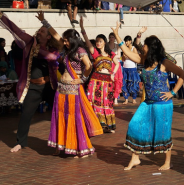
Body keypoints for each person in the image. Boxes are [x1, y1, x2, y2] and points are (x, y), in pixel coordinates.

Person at [111, 22, 184, 171]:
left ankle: (167, 161)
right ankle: (135, 158)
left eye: (145, 45)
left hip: (162, 104)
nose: (142, 47)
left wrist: (172, 93)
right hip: (147, 102)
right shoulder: (143, 61)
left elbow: (183, 75)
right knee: (135, 125)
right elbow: (126, 49)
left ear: (150, 48)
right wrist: (117, 34)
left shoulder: (164, 63)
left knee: (162, 131)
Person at [35, 12, 103, 158]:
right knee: (61, 116)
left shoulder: (80, 51)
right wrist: (44, 21)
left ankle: (80, 147)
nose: (64, 42)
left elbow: (89, 65)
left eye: (66, 41)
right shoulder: (66, 50)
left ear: (72, 40)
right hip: (62, 88)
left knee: (74, 117)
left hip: (73, 88)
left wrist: (82, 79)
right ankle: (64, 144)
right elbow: (56, 35)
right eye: (64, 41)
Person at [0, 11, 59, 153]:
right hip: (32, 87)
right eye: (38, 30)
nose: (38, 32)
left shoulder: (53, 49)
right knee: (26, 115)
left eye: (42, 31)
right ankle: (20, 142)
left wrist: (45, 22)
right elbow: (15, 30)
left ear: (48, 36)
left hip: (49, 86)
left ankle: (61, 141)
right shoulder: (30, 42)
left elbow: (53, 54)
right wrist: (1, 16)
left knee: (58, 114)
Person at [80, 17, 120, 133]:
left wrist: (113, 73)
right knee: (94, 101)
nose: (98, 43)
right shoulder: (95, 53)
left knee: (107, 102)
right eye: (97, 41)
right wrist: (82, 28)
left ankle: (108, 125)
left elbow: (117, 64)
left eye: (100, 41)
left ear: (104, 42)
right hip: (95, 80)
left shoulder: (110, 54)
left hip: (107, 81)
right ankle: (94, 124)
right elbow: (87, 40)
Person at [122, 35, 140, 105]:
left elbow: (136, 58)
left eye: (127, 41)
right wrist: (124, 56)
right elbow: (123, 60)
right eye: (125, 41)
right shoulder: (124, 49)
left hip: (132, 68)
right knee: (124, 84)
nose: (126, 43)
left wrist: (129, 56)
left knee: (133, 83)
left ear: (130, 41)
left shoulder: (133, 48)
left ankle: (134, 99)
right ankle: (126, 99)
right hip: (125, 68)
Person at [108, 32, 123, 105]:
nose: (111, 38)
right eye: (110, 37)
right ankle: (109, 97)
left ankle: (116, 98)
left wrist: (112, 56)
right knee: (109, 81)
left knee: (117, 82)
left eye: (113, 37)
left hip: (116, 65)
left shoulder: (117, 46)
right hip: (108, 64)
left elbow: (119, 55)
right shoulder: (106, 45)